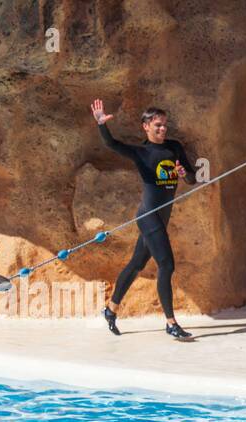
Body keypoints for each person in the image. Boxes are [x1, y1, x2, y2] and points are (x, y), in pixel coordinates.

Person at [90, 99, 198, 339]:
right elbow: (112, 144)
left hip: (162, 216)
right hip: (148, 217)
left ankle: (110, 309)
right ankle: (170, 323)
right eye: (158, 125)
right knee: (167, 265)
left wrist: (185, 174)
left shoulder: (175, 148)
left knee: (137, 264)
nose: (163, 129)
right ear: (146, 126)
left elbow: (192, 178)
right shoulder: (142, 152)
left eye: (164, 125)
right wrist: (101, 124)